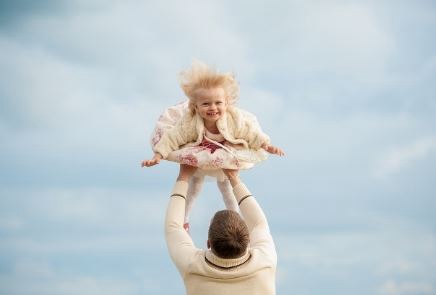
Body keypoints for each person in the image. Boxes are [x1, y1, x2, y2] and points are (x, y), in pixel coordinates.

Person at [142, 61, 284, 230]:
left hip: (224, 154)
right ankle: (184, 220)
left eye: (218, 103)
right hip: (200, 154)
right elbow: (173, 137)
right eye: (206, 104)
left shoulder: (233, 120)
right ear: (195, 106)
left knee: (226, 187)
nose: (213, 108)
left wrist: (266, 145)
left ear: (226, 103)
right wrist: (158, 155)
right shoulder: (190, 122)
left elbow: (249, 133)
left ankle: (235, 220)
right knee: (195, 185)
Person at [165, 164, 277, 295]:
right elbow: (258, 223)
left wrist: (183, 176)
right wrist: (234, 179)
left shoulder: (192, 265)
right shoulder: (264, 261)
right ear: (249, 241)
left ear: (208, 244)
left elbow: (174, 226)